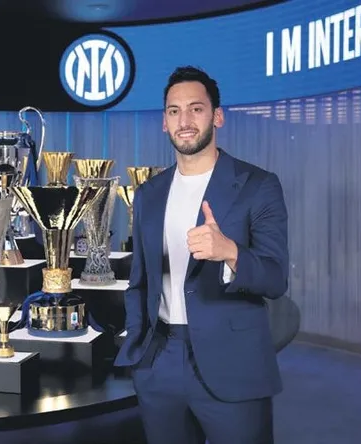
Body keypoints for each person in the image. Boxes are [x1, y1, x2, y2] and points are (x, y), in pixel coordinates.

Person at [114, 66, 289, 444]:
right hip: (159, 364)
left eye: (196, 109)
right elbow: (139, 281)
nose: (185, 121)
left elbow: (276, 279)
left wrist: (230, 252)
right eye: (174, 111)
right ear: (164, 123)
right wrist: (140, 354)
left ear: (217, 116)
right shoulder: (148, 194)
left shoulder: (258, 185)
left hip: (234, 365)